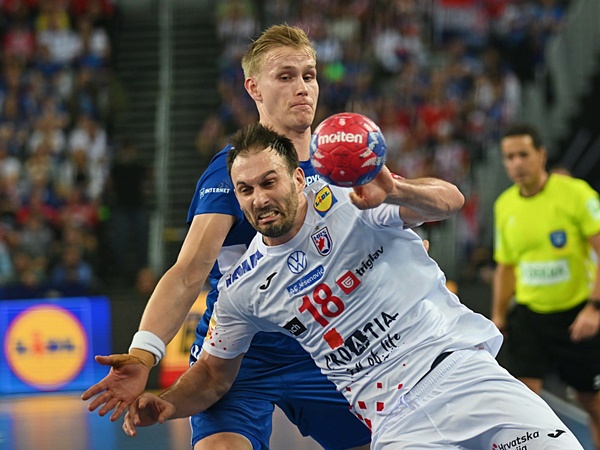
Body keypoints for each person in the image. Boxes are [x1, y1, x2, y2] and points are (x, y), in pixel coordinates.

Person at [123, 123, 584, 449]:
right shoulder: (241, 289)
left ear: (298, 178)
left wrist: (397, 190)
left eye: (269, 182)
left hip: (462, 373)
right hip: (395, 422)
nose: (259, 198)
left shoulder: (353, 200)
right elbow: (211, 375)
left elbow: (450, 200)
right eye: (246, 190)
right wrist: (167, 404)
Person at [82, 24, 371, 450]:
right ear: (253, 88)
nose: (302, 88)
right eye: (285, 76)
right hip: (237, 357)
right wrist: (144, 353)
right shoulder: (232, 172)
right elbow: (188, 272)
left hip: (327, 349)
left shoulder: (341, 161)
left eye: (308, 75)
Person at [492, 123, 600, 449]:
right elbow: (506, 267)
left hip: (576, 316)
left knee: (593, 405)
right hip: (530, 317)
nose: (517, 163)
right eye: (510, 157)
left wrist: (594, 308)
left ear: (541, 155)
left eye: (523, 154)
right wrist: (498, 316)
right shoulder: (504, 205)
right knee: (526, 408)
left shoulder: (576, 194)